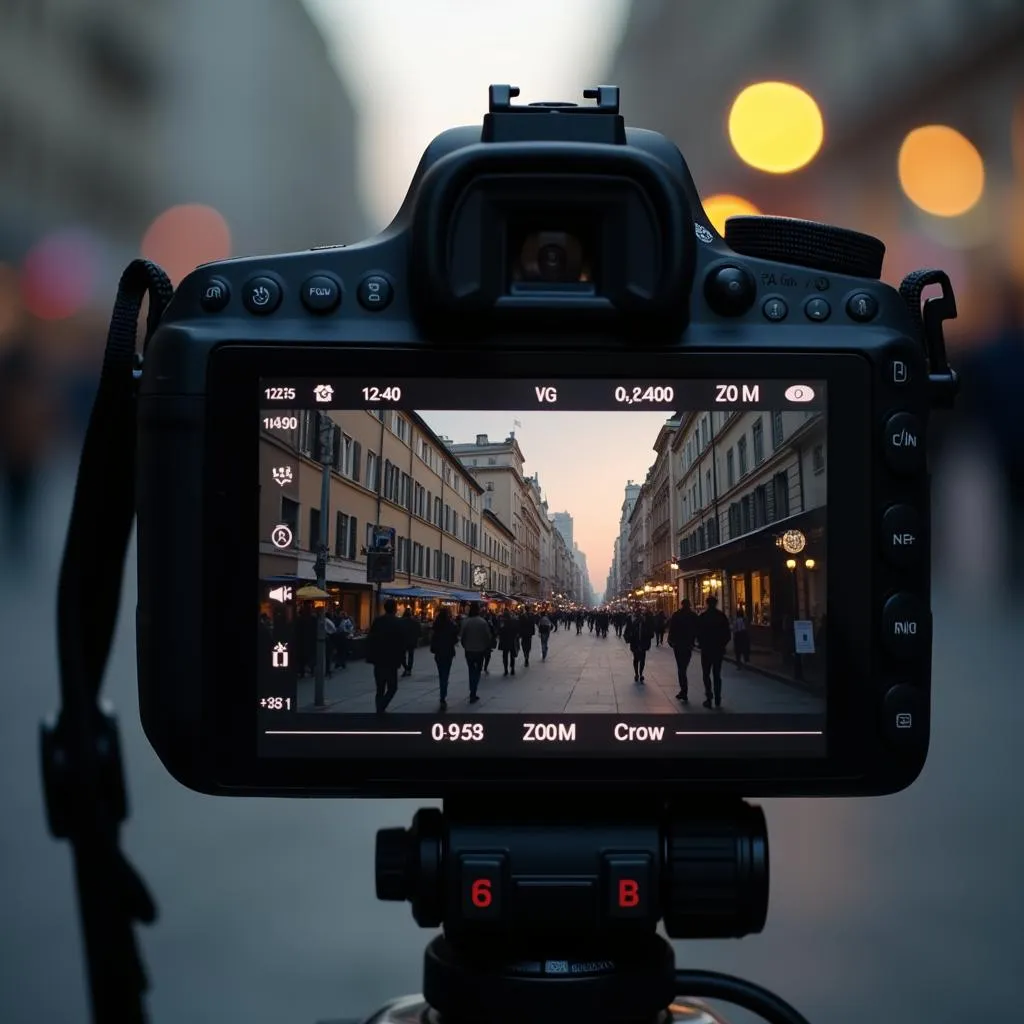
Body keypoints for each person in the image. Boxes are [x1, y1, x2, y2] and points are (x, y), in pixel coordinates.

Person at [365, 599, 407, 713]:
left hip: (378, 660)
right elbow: (401, 643)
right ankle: (381, 707)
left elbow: (370, 639)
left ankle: (379, 708)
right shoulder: (398, 623)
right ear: (394, 609)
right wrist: (403, 661)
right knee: (392, 687)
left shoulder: (378, 621)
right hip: (391, 661)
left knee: (380, 688)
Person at [696, 595, 731, 708]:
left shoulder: (703, 616)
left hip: (706, 649)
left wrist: (700, 643)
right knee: (717, 674)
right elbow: (727, 634)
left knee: (706, 674)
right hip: (718, 650)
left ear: (707, 603)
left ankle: (709, 697)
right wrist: (722, 644)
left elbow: (698, 632)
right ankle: (717, 697)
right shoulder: (721, 616)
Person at [459, 602, 492, 703]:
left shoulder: (465, 621)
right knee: (477, 671)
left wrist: (465, 645)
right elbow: (488, 636)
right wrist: (486, 646)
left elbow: (461, 636)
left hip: (469, 650)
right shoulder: (482, 622)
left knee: (471, 670)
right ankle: (473, 691)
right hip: (480, 650)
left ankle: (472, 689)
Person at [667, 598, 698, 702]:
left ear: (681, 605)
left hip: (678, 644)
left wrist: (671, 640)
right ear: (689, 605)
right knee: (683, 667)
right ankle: (683, 690)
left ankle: (683, 690)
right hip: (688, 645)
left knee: (681, 668)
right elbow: (697, 629)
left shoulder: (677, 615)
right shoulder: (693, 616)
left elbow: (672, 629)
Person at [430, 607, 459, 710]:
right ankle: (443, 695)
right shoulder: (451, 625)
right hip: (448, 652)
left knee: (441, 673)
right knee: (445, 674)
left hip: (438, 652)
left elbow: (433, 637)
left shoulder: (436, 624)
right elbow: (455, 639)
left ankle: (443, 692)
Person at [624, 611, 653, 683]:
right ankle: (638, 674)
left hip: (640, 645)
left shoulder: (645, 624)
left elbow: (651, 634)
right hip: (637, 644)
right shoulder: (634, 624)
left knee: (640, 660)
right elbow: (627, 632)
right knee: (638, 659)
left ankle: (639, 674)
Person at [498, 611, 520, 675]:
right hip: (512, 641)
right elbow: (516, 631)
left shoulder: (502, 623)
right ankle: (512, 668)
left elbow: (500, 631)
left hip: (505, 641)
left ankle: (506, 669)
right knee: (512, 655)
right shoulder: (513, 622)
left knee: (505, 656)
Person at [400, 607, 420, 676]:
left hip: (403, 641)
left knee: (402, 656)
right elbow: (419, 632)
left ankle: (406, 668)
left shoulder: (401, 621)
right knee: (411, 655)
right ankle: (409, 669)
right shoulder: (415, 622)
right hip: (412, 641)